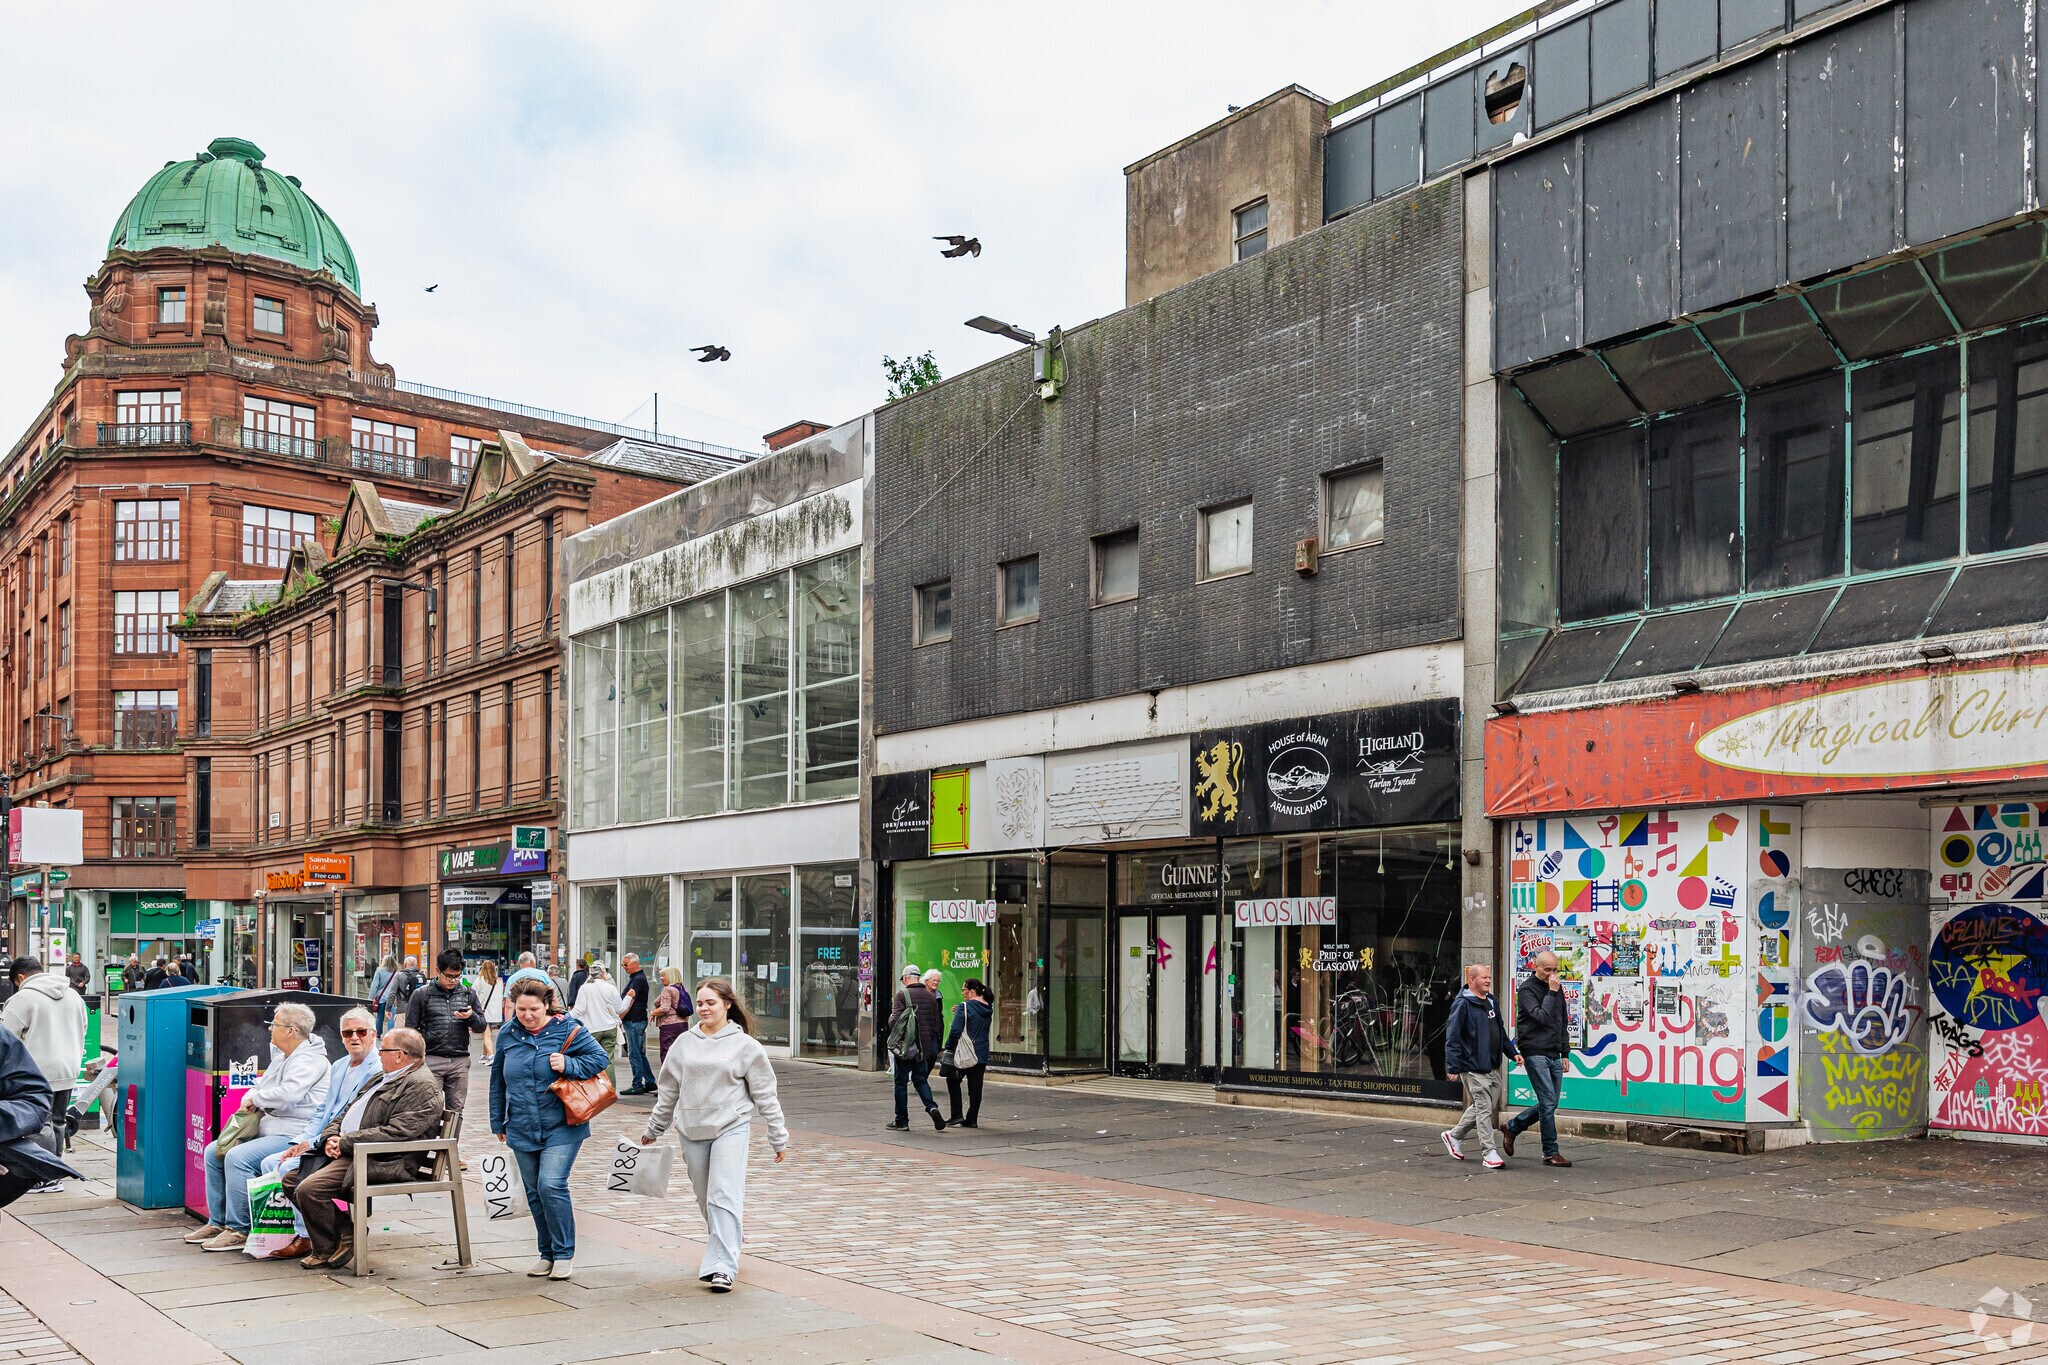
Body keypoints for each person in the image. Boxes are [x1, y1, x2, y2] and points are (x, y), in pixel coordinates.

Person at [640, 977, 790, 1293]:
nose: (704, 1008)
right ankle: (728, 1239)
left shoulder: (745, 1046)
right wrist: (654, 1128)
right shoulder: (684, 1043)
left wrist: (778, 1136)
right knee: (706, 1197)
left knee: (723, 1193)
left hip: (730, 1128)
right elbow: (668, 1091)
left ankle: (722, 1266)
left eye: (711, 1002)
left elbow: (765, 1094)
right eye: (701, 1002)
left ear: (727, 1004)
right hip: (692, 1130)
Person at [285, 1027, 444, 1271]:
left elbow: (397, 1133)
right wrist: (331, 1136)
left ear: (400, 1055)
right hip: (355, 1151)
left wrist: (346, 1142)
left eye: (384, 1050)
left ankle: (326, 1248)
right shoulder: (384, 1076)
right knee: (291, 1180)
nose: (379, 1054)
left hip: (383, 1159)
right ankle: (345, 1232)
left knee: (309, 1188)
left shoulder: (420, 1085)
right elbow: (347, 1110)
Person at [489, 979, 610, 1281]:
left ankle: (565, 1253)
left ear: (547, 1006)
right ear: (512, 1007)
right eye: (521, 1009)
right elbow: (497, 1081)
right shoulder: (508, 1033)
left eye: (534, 1009)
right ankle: (547, 1253)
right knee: (533, 1192)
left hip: (562, 1123)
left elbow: (600, 1059)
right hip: (520, 1124)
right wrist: (497, 1120)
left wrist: (568, 1064)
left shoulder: (569, 1029)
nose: (527, 1015)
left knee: (550, 1184)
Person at [187, 1003, 330, 1251]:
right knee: (214, 1151)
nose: (270, 1029)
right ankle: (217, 1221)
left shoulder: (309, 1060)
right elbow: (261, 1085)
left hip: (292, 1133)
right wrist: (253, 1096)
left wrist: (256, 1099)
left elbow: (289, 1095)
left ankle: (238, 1228)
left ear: (291, 1030)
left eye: (274, 1024)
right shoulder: (284, 1057)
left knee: (237, 1158)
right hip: (271, 1129)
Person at [255, 1007, 383, 1261]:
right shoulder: (340, 1065)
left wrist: (317, 1142)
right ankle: (319, 1232)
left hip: (345, 1145)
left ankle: (308, 1237)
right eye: (347, 1033)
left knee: (288, 1170)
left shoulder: (377, 1068)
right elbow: (323, 1111)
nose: (354, 1037)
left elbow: (357, 1119)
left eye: (360, 1032)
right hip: (322, 1138)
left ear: (373, 1034)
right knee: (271, 1161)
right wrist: (304, 1139)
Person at [2, 957, 87, 1152]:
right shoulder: (74, 995)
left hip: (34, 1075)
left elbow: (5, 1039)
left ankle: (42, 1175)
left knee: (37, 1125)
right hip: (67, 1070)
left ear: (20, 977)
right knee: (58, 1122)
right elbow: (83, 1027)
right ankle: (55, 1173)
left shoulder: (21, 999)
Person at [1441, 963, 1519, 1171]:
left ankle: (1454, 1135)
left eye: (1489, 977)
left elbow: (1500, 1033)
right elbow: (1453, 1037)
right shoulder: (1463, 1004)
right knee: (1484, 1109)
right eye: (1483, 977)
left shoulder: (1491, 1002)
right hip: (1472, 1066)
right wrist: (1453, 1066)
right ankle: (1489, 1153)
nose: (1487, 981)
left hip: (1491, 1065)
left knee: (1483, 1106)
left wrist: (1513, 1054)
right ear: (1472, 980)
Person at [1502, 951, 1572, 1168]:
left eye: (1555, 970)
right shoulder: (1526, 990)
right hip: (1534, 1050)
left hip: (1553, 1051)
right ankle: (1551, 1152)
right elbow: (1541, 1016)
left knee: (1550, 1103)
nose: (1552, 974)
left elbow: (1562, 1020)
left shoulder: (1556, 989)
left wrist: (1565, 1053)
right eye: (1547, 969)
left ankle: (1513, 1126)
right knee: (1548, 1102)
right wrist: (1552, 992)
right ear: (1536, 967)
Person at [0, 1025, 82, 1208]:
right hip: (66, 1066)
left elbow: (31, 1099)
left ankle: (50, 1178)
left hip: (41, 1067)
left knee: (52, 1129)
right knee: (59, 1122)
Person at [405, 949, 484, 1124]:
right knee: (428, 1109)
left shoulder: (468, 994)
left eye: (457, 976)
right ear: (437, 971)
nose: (453, 981)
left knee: (456, 1111)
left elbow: (481, 1026)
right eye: (449, 976)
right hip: (431, 1058)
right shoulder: (421, 995)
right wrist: (416, 1059)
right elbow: (410, 1029)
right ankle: (427, 1149)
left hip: (459, 1059)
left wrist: (470, 1017)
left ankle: (448, 1150)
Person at [886, 964, 945, 1132]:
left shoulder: (902, 995)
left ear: (905, 978)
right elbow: (936, 1024)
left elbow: (895, 1021)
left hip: (906, 1047)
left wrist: (890, 1019)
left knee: (901, 1083)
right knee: (921, 1080)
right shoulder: (930, 996)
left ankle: (902, 1121)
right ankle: (932, 1107)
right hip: (923, 1048)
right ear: (918, 977)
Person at [943, 978, 993, 1129]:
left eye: (964, 990)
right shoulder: (988, 1007)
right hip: (981, 1052)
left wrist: (948, 1047)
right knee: (976, 1087)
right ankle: (972, 1119)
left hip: (965, 1052)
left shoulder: (964, 1006)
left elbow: (956, 1030)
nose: (963, 992)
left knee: (952, 1080)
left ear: (972, 991)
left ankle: (956, 1114)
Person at [569, 962, 624, 1080]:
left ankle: (594, 1092)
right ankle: (610, 1091)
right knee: (608, 1061)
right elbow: (619, 1009)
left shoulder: (585, 988)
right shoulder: (611, 988)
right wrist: (629, 998)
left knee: (589, 1060)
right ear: (603, 973)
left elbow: (579, 1010)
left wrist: (564, 1017)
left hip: (591, 1030)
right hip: (610, 1028)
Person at [619, 954, 656, 1096]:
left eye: (626, 964)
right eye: (623, 965)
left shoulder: (638, 979)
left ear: (635, 963)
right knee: (639, 1052)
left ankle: (637, 1084)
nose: (624, 967)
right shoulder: (637, 978)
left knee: (634, 1053)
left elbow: (630, 1001)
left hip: (634, 1020)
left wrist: (620, 1015)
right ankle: (649, 1081)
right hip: (636, 1019)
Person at [651, 966, 690, 1062]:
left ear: (670, 976)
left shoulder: (667, 990)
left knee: (666, 1053)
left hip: (669, 1025)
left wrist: (653, 1013)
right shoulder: (681, 988)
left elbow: (665, 1008)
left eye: (663, 975)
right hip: (683, 1024)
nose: (661, 978)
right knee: (680, 1052)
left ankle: (667, 1075)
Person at [802, 962, 839, 1047]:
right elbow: (836, 993)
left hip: (813, 1010)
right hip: (828, 1009)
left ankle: (811, 1050)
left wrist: (805, 1003)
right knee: (828, 1031)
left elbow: (803, 993)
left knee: (812, 1031)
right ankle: (832, 1049)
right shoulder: (829, 980)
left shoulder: (810, 980)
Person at [476, 960, 506, 1060]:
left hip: (484, 1010)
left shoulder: (480, 980)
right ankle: (484, 1055)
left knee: (486, 1034)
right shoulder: (499, 981)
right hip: (495, 1012)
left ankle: (491, 1055)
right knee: (487, 1033)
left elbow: (473, 993)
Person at [369, 955, 397, 1034]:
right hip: (393, 997)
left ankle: (378, 1033)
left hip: (381, 997)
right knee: (391, 1016)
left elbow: (374, 985)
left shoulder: (379, 971)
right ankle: (390, 1033)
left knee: (380, 1016)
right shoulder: (396, 972)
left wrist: (370, 997)